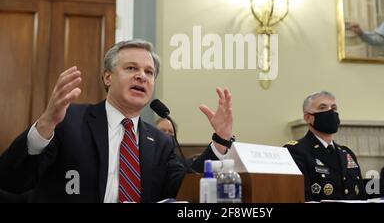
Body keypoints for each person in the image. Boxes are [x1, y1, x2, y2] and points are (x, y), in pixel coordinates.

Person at [0, 39, 235, 203]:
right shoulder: (69, 120)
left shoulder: (160, 142)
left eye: (149, 72)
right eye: (131, 68)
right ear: (108, 77)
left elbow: (187, 188)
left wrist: (220, 140)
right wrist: (45, 125)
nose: (141, 76)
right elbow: (12, 181)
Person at [284, 91, 365, 201]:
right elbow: (301, 197)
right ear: (308, 118)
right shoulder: (295, 151)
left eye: (334, 108)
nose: (330, 111)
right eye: (322, 108)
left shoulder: (346, 153)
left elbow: (361, 196)